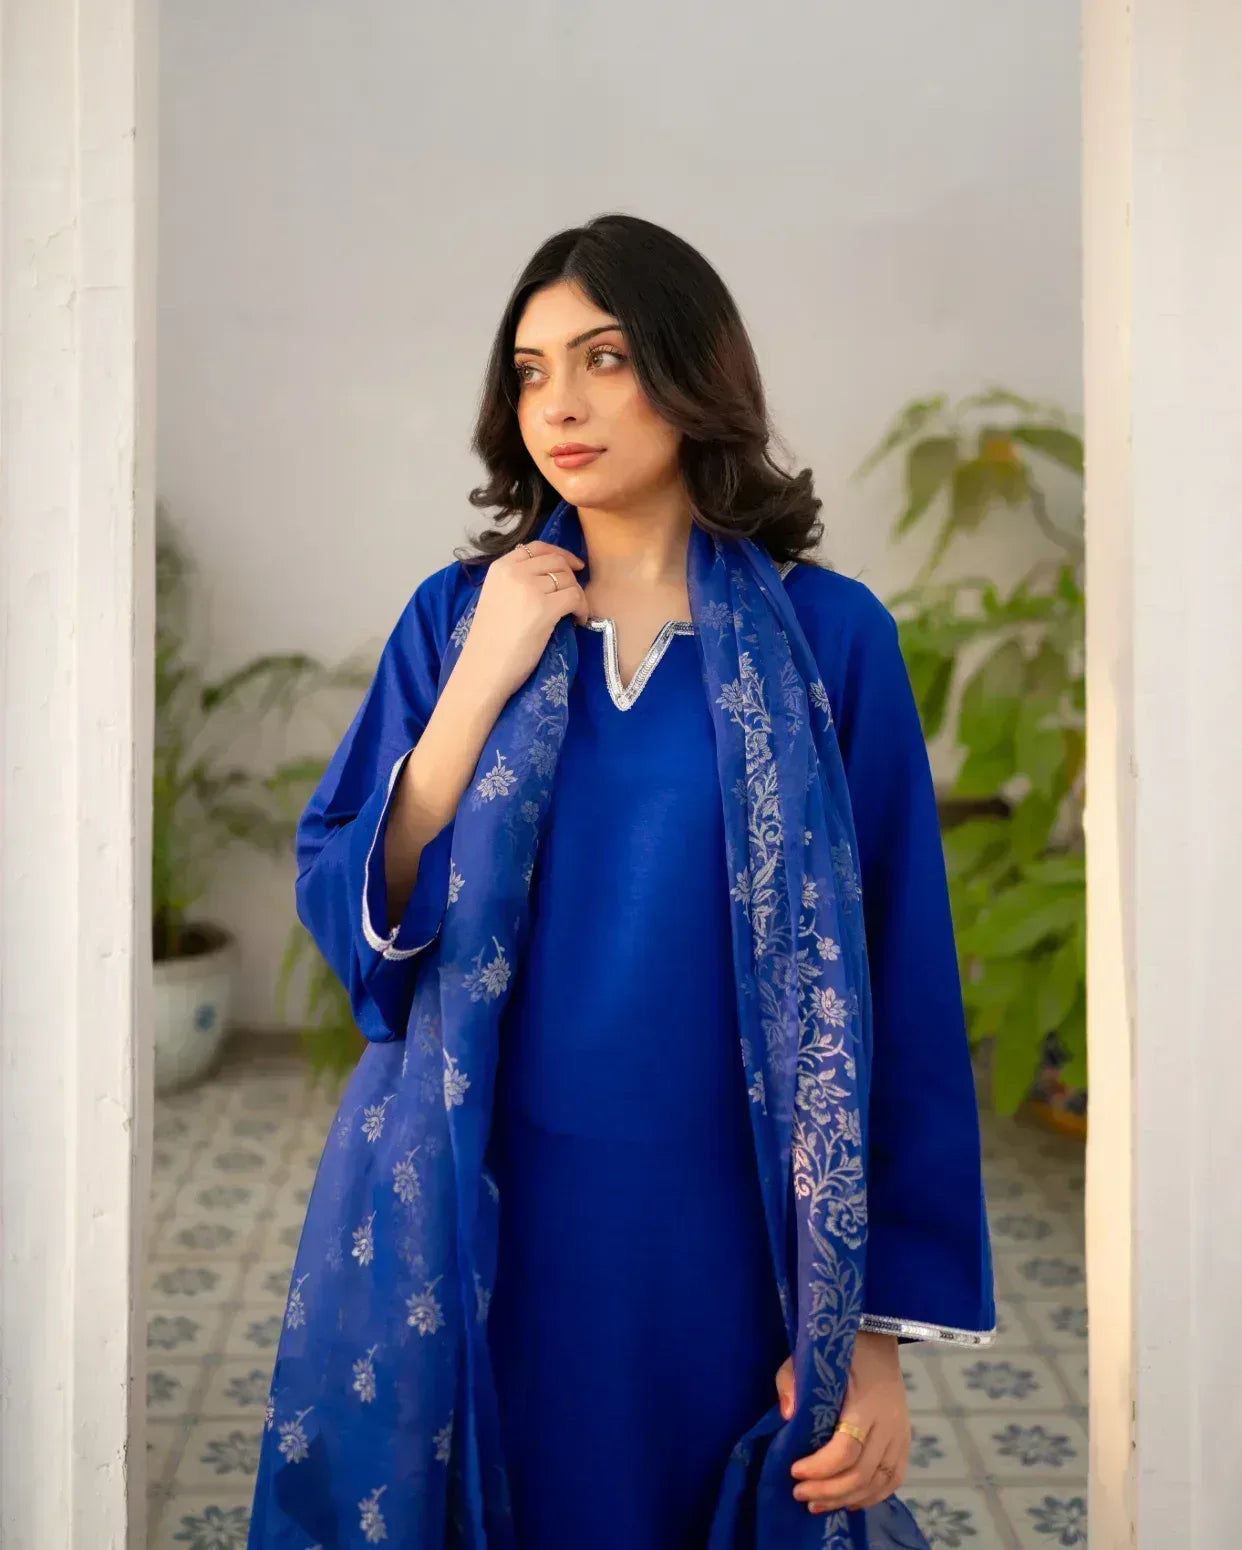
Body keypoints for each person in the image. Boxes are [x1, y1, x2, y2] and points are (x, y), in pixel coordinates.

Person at [246, 213, 995, 1550]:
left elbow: (906, 984)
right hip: (487, 1216)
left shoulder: (829, 640)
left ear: (691, 366)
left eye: (601, 357)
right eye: (530, 371)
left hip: (733, 1226)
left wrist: (871, 1330)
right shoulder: (456, 617)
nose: (561, 404)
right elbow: (357, 917)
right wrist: (481, 674)